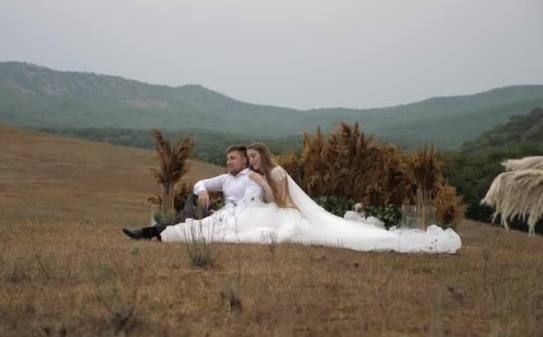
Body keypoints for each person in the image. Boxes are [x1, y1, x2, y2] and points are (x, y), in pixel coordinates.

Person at [160, 142, 462, 254]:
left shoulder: (274, 174)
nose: (250, 161)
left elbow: (278, 201)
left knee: (264, 228)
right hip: (260, 208)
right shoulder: (255, 174)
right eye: (248, 157)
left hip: (281, 211)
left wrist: (259, 181)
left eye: (253, 156)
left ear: (261, 156)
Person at [122, 145, 263, 241]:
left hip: (232, 221)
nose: (228, 162)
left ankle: (150, 232)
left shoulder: (251, 178)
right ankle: (160, 233)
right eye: (227, 159)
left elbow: (248, 206)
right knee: (193, 198)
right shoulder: (226, 178)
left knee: (192, 212)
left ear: (244, 161)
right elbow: (199, 184)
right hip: (220, 215)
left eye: (232, 158)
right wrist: (202, 192)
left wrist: (219, 213)